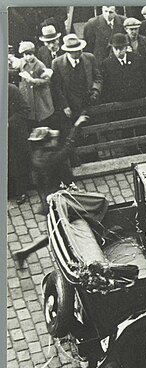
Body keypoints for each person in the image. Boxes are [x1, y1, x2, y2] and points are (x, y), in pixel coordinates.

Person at [12, 114, 91, 267]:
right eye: (52, 139)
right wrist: (76, 127)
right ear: (45, 143)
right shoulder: (49, 159)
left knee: (57, 232)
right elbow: (67, 148)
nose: (55, 140)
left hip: (49, 198)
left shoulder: (39, 155)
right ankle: (26, 253)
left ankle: (24, 253)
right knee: (59, 231)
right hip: (56, 201)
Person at [98, 34, 146, 155]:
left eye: (121, 48)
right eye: (115, 48)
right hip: (120, 104)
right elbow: (106, 87)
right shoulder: (107, 64)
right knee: (125, 129)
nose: (118, 51)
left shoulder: (137, 58)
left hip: (138, 102)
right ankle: (131, 149)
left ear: (126, 47)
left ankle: (143, 146)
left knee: (141, 126)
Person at [50, 34, 101, 130]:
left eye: (80, 49)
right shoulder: (57, 63)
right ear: (68, 51)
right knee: (73, 133)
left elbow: (97, 77)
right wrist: (64, 106)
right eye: (76, 51)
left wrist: (96, 90)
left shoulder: (90, 58)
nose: (80, 52)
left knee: (92, 132)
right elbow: (56, 87)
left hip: (89, 103)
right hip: (71, 106)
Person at [14, 41, 56, 128]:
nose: (28, 57)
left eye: (30, 54)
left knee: (41, 116)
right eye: (25, 55)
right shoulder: (22, 62)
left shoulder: (39, 65)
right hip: (28, 94)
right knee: (30, 115)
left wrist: (34, 80)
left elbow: (47, 80)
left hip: (39, 96)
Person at [8, 83, 32, 203]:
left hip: (15, 135)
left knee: (18, 163)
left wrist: (9, 123)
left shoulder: (12, 90)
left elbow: (25, 110)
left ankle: (21, 192)